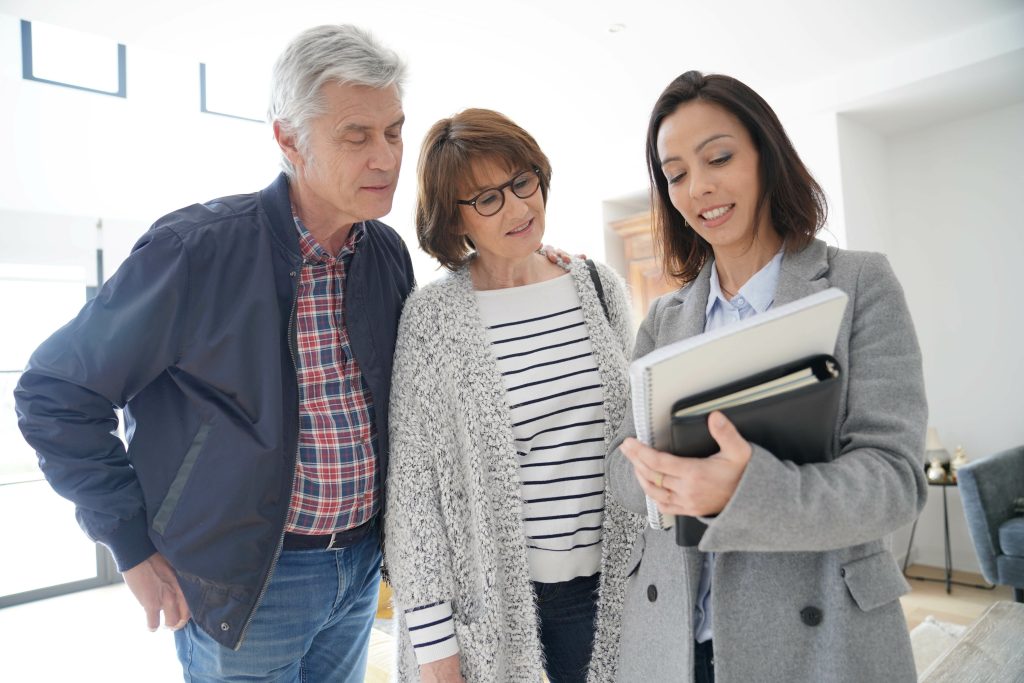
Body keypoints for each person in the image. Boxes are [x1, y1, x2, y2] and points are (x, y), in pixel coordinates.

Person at [13, 25, 415, 681]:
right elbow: (53, 394)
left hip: (361, 567)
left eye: (394, 132)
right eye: (357, 136)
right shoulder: (194, 251)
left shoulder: (387, 253)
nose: (387, 157)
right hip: (251, 583)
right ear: (288, 138)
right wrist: (132, 547)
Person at [608, 71, 928, 682]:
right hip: (677, 644)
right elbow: (621, 471)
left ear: (766, 156)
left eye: (719, 157)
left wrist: (741, 492)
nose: (699, 187)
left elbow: (893, 480)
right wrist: (664, 479)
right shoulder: (663, 320)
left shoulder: (859, 284)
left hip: (822, 638)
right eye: (675, 174)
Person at [384, 109, 644, 683]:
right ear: (454, 222)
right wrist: (436, 654)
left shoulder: (598, 286)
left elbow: (637, 430)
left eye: (521, 183)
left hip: (615, 587)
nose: (517, 208)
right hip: (500, 609)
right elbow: (415, 498)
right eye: (486, 199)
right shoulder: (433, 320)